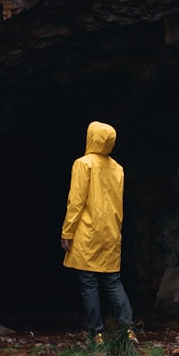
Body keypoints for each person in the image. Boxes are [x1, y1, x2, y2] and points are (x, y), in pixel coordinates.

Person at [60, 121, 137, 344]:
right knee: (113, 281)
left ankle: (96, 334)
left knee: (88, 283)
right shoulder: (118, 168)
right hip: (111, 233)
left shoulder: (83, 164)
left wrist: (67, 232)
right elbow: (118, 204)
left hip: (87, 233)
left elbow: (76, 201)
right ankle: (128, 329)